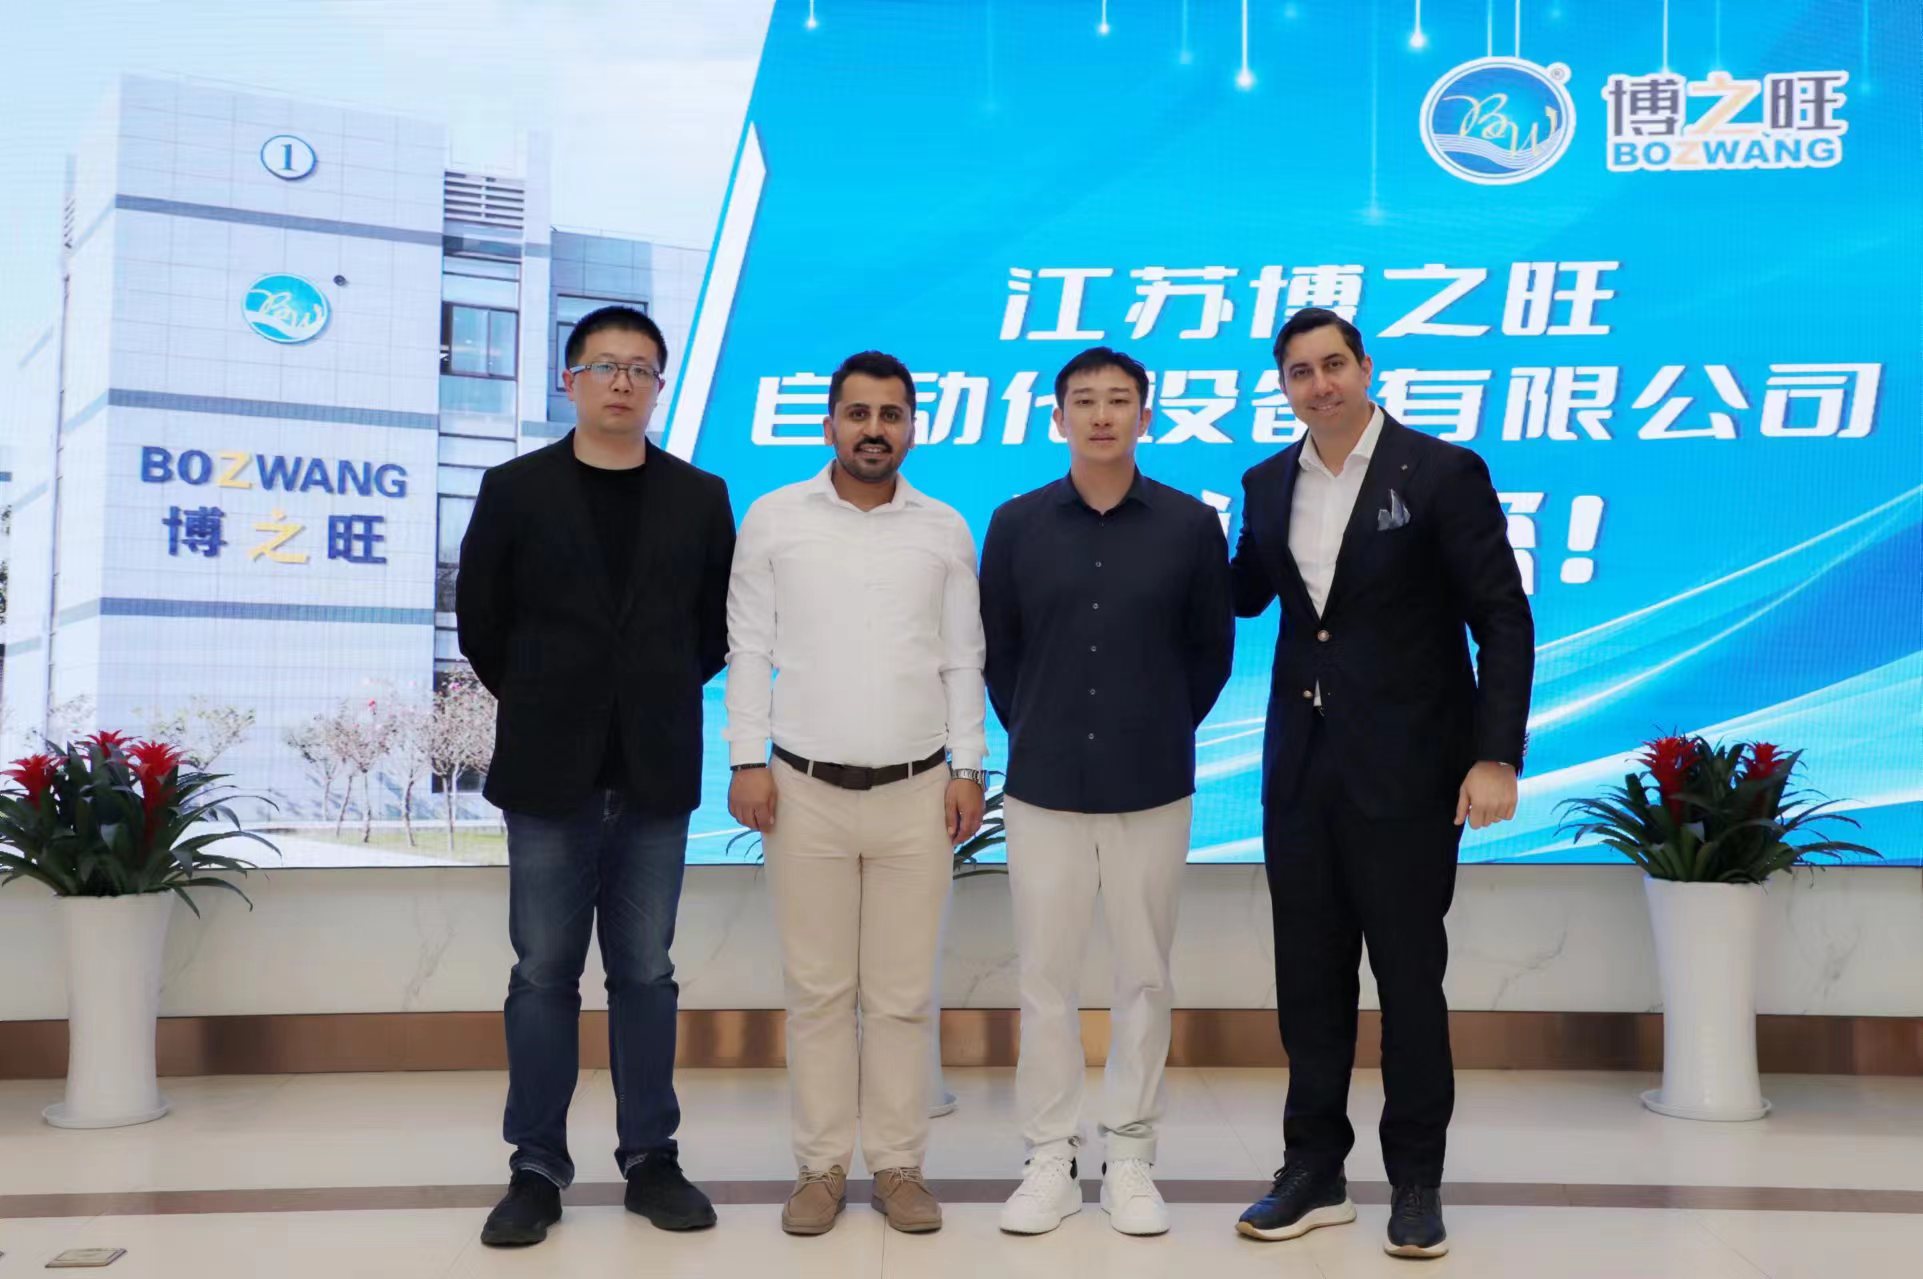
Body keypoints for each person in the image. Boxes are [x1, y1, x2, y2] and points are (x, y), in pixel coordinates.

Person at [1228, 308, 1534, 1260]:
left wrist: (1495, 754)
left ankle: (1414, 1180)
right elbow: (1242, 592)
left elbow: (1501, 617)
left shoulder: (1439, 471)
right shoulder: (1265, 482)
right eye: (1299, 371)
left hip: (1410, 768)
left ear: (1366, 367)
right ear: (1283, 385)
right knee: (1307, 980)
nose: (1318, 384)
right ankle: (1312, 1169)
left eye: (1333, 364)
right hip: (1300, 768)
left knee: (1407, 980)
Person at [457, 305, 735, 1247]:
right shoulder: (513, 488)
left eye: (641, 368)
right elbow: (482, 621)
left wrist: (642, 694)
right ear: (569, 379)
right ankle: (535, 1166)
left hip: (654, 766)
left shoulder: (700, 496)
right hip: (547, 771)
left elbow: (712, 631)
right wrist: (553, 695)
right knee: (542, 973)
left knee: (645, 971)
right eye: (605, 364)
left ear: (658, 386)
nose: (623, 381)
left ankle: (651, 1157)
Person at [724, 349, 988, 1237]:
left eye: (891, 415)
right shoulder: (774, 518)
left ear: (912, 427)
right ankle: (821, 1167)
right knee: (818, 992)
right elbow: (748, 646)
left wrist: (967, 768)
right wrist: (745, 758)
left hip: (919, 791)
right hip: (802, 789)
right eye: (859, 413)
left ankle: (901, 1165)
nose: (875, 429)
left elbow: (962, 658)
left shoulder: (943, 528)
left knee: (903, 995)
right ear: (829, 423)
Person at [979, 346, 1233, 1237]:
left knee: (1144, 976)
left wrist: (1150, 722)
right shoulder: (1015, 523)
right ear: (1057, 417)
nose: (1100, 415)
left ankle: (1128, 1154)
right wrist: (1039, 724)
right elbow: (999, 651)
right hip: (1043, 784)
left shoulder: (1189, 525)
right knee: (1044, 979)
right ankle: (1048, 1156)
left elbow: (1209, 654)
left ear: (1144, 415)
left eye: (1118, 400)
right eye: (1082, 400)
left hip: (1150, 783)